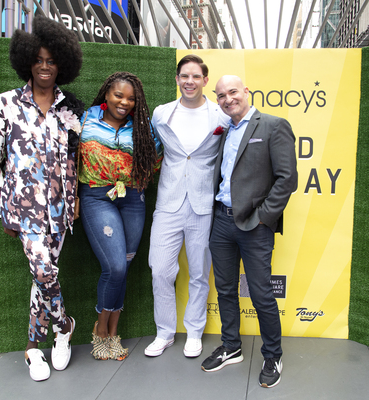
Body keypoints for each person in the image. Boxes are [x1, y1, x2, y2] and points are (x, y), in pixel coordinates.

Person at [0, 15, 83, 382]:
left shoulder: (69, 109)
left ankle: (32, 348)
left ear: (62, 63)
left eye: (52, 60)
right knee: (43, 271)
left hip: (59, 212)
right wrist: (1, 212)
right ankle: (64, 324)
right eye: (39, 59)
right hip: (22, 211)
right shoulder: (4, 104)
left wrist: (73, 201)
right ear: (27, 60)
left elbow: (74, 160)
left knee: (41, 280)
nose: (45, 66)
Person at [200, 75, 297, 389]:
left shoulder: (272, 125)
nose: (228, 99)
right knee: (226, 289)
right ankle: (232, 346)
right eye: (221, 95)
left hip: (254, 226)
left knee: (260, 293)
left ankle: (273, 354)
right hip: (221, 222)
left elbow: (287, 179)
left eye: (232, 92)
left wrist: (262, 218)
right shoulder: (225, 130)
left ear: (246, 92)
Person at [145, 55, 229, 358]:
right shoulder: (161, 114)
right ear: (177, 79)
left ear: (205, 80)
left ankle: (194, 331)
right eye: (184, 76)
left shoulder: (221, 116)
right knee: (160, 270)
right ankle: (164, 332)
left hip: (204, 203)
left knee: (198, 273)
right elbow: (153, 150)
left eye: (195, 76)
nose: (189, 82)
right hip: (168, 201)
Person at [78, 72, 162, 361]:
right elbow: (68, 157)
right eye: (118, 95)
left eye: (131, 98)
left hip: (132, 199)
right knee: (114, 266)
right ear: (106, 95)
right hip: (96, 197)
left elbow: (156, 158)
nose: (124, 102)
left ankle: (114, 332)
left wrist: (135, 177)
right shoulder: (86, 120)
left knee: (124, 267)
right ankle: (101, 331)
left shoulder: (142, 128)